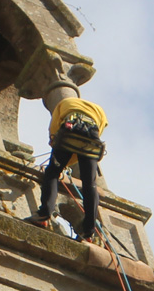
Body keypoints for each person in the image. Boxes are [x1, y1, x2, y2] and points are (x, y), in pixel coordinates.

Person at [30, 96, 108, 242]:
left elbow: (54, 130)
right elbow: (102, 126)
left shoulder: (63, 104)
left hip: (68, 135)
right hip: (91, 142)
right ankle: (88, 231)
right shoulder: (99, 110)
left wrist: (62, 162)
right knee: (90, 184)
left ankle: (43, 214)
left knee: (52, 173)